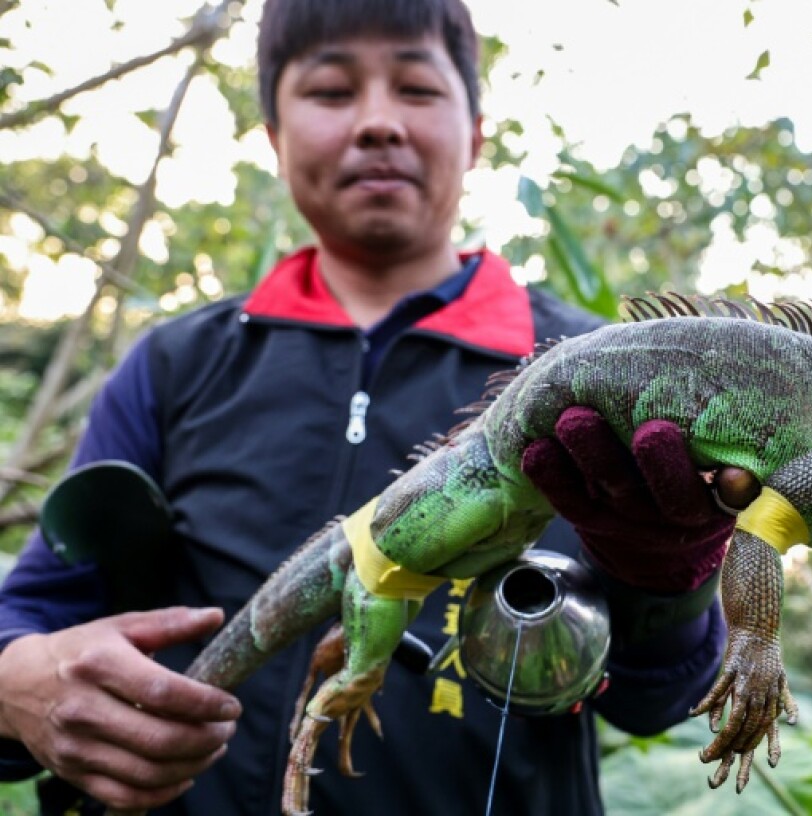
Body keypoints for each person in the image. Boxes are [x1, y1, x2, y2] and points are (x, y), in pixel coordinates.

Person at [0, 0, 734, 813]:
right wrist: (15, 683)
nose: (379, 122)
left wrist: (673, 579)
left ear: (476, 133)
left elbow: (657, 697)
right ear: (274, 137)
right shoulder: (176, 364)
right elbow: (35, 611)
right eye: (331, 90)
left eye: (417, 88)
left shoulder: (597, 375)